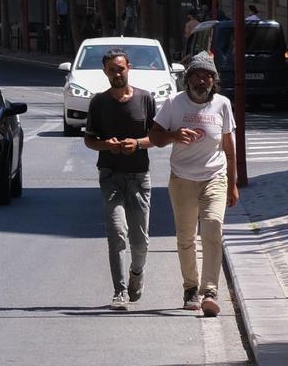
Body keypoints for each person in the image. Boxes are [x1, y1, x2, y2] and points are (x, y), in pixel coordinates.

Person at [150, 50, 238, 317]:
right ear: (188, 79)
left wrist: (233, 184)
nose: (202, 82)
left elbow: (229, 148)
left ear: (214, 81)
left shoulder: (222, 104)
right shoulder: (173, 104)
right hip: (182, 180)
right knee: (186, 237)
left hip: (215, 177)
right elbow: (154, 136)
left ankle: (210, 291)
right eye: (198, 76)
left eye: (208, 77)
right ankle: (190, 289)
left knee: (213, 228)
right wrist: (174, 135)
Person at [84, 47, 155, 311]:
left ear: (129, 68)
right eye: (112, 69)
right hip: (111, 176)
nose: (117, 73)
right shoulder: (99, 102)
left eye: (120, 68)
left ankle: (137, 274)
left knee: (140, 240)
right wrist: (107, 145)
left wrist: (137, 144)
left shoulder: (145, 99)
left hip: (139, 177)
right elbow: (89, 140)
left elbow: (156, 138)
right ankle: (120, 292)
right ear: (105, 72)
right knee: (117, 233)